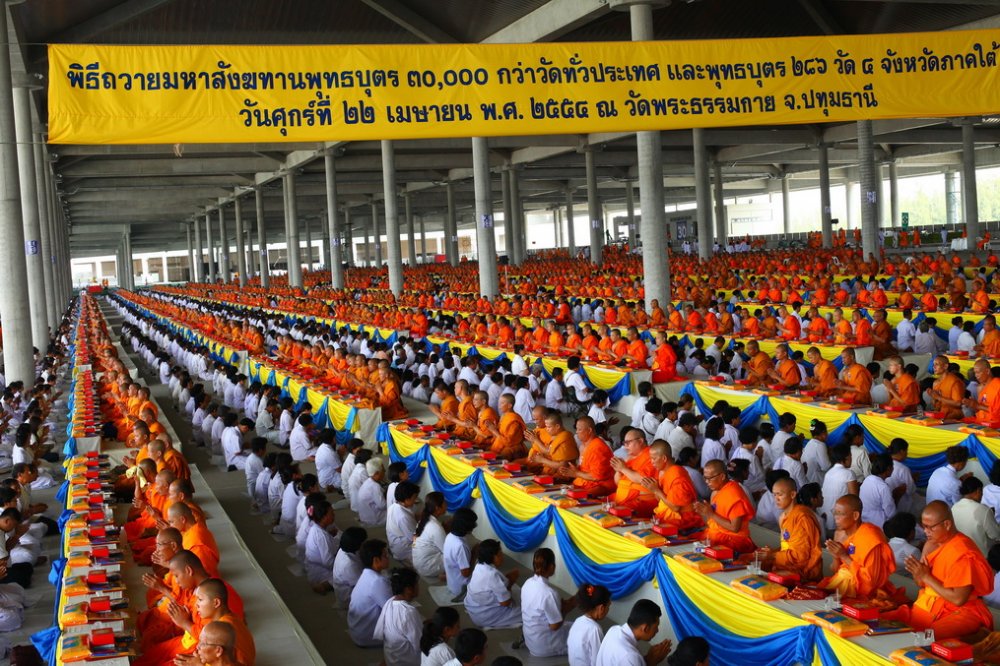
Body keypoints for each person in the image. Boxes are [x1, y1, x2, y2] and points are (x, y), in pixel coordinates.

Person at [886, 501, 995, 639]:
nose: (925, 532)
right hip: (929, 605)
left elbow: (958, 599)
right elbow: (921, 583)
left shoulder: (962, 553)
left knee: (927, 638)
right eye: (923, 526)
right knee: (882, 620)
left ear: (947, 524)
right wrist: (918, 573)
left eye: (930, 527)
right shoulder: (930, 545)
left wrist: (926, 577)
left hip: (961, 611)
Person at [820, 494, 900, 601]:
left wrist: (844, 556)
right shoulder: (840, 534)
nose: (836, 518)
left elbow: (871, 581)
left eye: (840, 514)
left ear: (855, 515)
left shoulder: (870, 537)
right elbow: (836, 571)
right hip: (844, 588)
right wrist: (836, 557)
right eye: (835, 513)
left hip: (867, 595)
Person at [758, 478, 822, 582]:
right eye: (774, 495)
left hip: (804, 572)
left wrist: (772, 555)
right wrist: (771, 553)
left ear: (792, 494)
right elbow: (788, 545)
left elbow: (801, 556)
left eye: (780, 494)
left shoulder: (802, 518)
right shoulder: (783, 516)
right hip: (787, 565)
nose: (776, 499)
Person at [521, 548, 576, 657]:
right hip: (544, 646)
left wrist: (562, 606)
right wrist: (565, 610)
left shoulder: (528, 583)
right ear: (551, 567)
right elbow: (555, 626)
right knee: (581, 634)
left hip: (530, 640)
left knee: (571, 625)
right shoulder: (549, 593)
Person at [695, 459, 756, 554]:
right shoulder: (716, 492)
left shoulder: (733, 494)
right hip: (716, 535)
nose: (707, 482)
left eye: (710, 478)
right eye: (705, 478)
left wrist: (711, 514)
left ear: (722, 476)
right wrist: (703, 512)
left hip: (734, 540)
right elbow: (712, 522)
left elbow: (734, 528)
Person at [642, 440, 703, 532]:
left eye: (654, 459)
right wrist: (654, 488)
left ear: (664, 458)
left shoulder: (676, 474)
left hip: (683, 519)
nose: (652, 462)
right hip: (669, 516)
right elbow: (661, 500)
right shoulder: (664, 472)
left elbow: (675, 507)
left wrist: (656, 490)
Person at [594, 598, 672, 666]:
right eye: (656, 627)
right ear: (645, 628)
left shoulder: (614, 630)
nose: (657, 631)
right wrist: (653, 662)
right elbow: (631, 660)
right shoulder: (630, 656)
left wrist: (648, 658)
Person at [464, 539, 521, 629]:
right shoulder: (491, 575)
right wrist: (511, 581)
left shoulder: (479, 565)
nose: (502, 556)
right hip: (485, 617)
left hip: (474, 609)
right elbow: (505, 603)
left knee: (516, 591)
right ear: (494, 557)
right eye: (500, 554)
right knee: (527, 611)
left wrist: (509, 579)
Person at [374, 567, 423, 666]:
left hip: (391, 659)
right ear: (409, 589)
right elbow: (420, 644)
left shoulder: (390, 601)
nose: (419, 586)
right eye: (417, 584)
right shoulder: (409, 612)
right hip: (405, 662)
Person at [348, 539, 393, 647]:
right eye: (385, 556)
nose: (388, 558)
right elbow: (393, 610)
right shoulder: (377, 581)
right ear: (376, 560)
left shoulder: (367, 574)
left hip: (357, 630)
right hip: (367, 635)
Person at [559, 416, 615, 497]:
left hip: (600, 486)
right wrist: (572, 470)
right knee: (561, 492)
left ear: (589, 430)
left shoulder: (597, 448)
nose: (576, 432)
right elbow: (585, 468)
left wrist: (576, 473)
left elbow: (597, 477)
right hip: (584, 482)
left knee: (573, 496)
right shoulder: (584, 445)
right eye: (576, 429)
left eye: (579, 429)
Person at [610, 429, 658, 517]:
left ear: (640, 441)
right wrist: (618, 470)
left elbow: (643, 479)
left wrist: (623, 468)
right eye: (624, 443)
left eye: (628, 443)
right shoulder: (630, 458)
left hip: (642, 500)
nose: (625, 446)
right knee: (599, 505)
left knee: (615, 513)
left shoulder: (651, 456)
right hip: (622, 497)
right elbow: (618, 483)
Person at [952, 476, 1000, 556]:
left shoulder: (954, 507)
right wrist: (990, 516)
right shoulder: (983, 510)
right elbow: (996, 535)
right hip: (984, 554)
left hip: (964, 553)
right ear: (978, 491)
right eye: (982, 493)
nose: (981, 497)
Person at [567, 584, 611, 666]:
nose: (608, 610)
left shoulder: (578, 620)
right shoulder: (594, 629)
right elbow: (598, 661)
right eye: (608, 606)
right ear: (601, 608)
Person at [819, 444, 860, 533]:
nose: (851, 458)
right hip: (837, 521)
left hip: (824, 518)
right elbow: (854, 499)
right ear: (846, 457)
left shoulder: (829, 473)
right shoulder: (849, 474)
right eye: (850, 455)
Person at [304, 499, 339, 594]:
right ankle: (324, 585)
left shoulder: (316, 528)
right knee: (348, 574)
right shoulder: (321, 535)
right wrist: (341, 565)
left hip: (314, 568)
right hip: (321, 572)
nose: (334, 515)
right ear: (323, 517)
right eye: (331, 514)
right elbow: (328, 562)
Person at [444, 508, 478, 600]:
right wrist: (474, 554)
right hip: (461, 588)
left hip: (452, 583)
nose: (475, 526)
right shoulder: (461, 546)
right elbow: (466, 573)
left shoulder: (450, 536)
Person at [858, 453, 897, 530]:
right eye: (892, 466)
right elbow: (890, 512)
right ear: (888, 468)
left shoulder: (867, 480)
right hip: (878, 525)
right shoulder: (883, 487)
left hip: (864, 520)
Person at [332, 526, 367, 608]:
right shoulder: (349, 564)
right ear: (357, 544)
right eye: (363, 542)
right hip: (348, 596)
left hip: (350, 583)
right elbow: (363, 585)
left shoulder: (344, 549)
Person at [387, 481, 420, 564]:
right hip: (404, 548)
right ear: (407, 500)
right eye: (414, 497)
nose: (416, 500)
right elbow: (415, 538)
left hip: (396, 541)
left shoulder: (394, 506)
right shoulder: (403, 517)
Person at [358, 458, 388, 526]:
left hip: (366, 516)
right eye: (383, 470)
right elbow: (382, 506)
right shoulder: (375, 486)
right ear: (377, 473)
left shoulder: (368, 482)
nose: (385, 471)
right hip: (374, 519)